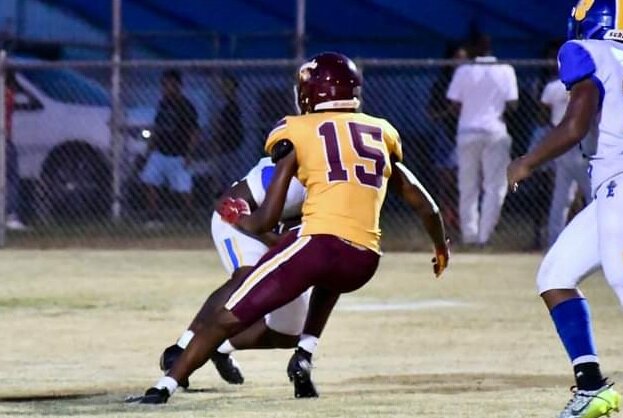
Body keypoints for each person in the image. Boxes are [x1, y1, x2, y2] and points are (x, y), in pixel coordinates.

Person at [130, 52, 449, 404]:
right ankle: (295, 355)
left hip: (309, 241)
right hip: (361, 258)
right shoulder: (382, 132)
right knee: (288, 278)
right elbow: (425, 204)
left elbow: (266, 220)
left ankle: (164, 387)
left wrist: (254, 224)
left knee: (235, 315)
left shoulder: (295, 133)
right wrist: (441, 246)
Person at [507, 1, 623, 416]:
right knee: (555, 274)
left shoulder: (583, 51)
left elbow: (575, 124)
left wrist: (528, 160)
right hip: (611, 186)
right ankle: (591, 386)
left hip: (619, 181)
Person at [158, 156, 308, 389]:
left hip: (279, 239)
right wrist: (276, 242)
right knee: (245, 277)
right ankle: (182, 348)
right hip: (240, 225)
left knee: (289, 332)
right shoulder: (285, 176)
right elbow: (227, 205)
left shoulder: (340, 185)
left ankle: (218, 346)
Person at [446, 34, 518, 246]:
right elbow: (513, 103)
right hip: (494, 130)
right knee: (494, 186)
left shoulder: (463, 71)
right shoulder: (505, 70)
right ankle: (484, 236)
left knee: (467, 186)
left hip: (467, 130)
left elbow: (454, 104)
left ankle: (469, 235)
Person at [140, 69, 199, 228]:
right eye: (164, 85)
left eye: (169, 85)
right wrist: (149, 150)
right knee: (150, 180)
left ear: (177, 85)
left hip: (178, 154)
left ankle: (188, 217)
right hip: (160, 152)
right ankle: (154, 217)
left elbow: (194, 131)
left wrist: (189, 154)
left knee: (183, 188)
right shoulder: (163, 104)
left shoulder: (186, 106)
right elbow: (157, 128)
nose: (165, 88)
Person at [540, 75, 592, 247]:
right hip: (583, 140)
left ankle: (554, 242)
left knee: (561, 196)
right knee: (594, 194)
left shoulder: (554, 86)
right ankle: (600, 241)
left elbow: (543, 114)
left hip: (560, 140)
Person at [426, 44, 468, 238]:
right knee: (446, 182)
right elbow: (431, 114)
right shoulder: (442, 84)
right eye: (457, 59)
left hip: (466, 136)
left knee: (463, 181)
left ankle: (461, 220)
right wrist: (448, 112)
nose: (460, 64)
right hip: (447, 134)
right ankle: (444, 218)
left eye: (463, 59)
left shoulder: (471, 81)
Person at [4, 70, 27, 231]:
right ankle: (10, 215)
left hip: (5, 139)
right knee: (11, 177)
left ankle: (9, 215)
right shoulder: (8, 94)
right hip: (4, 141)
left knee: (9, 176)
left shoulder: (8, 94)